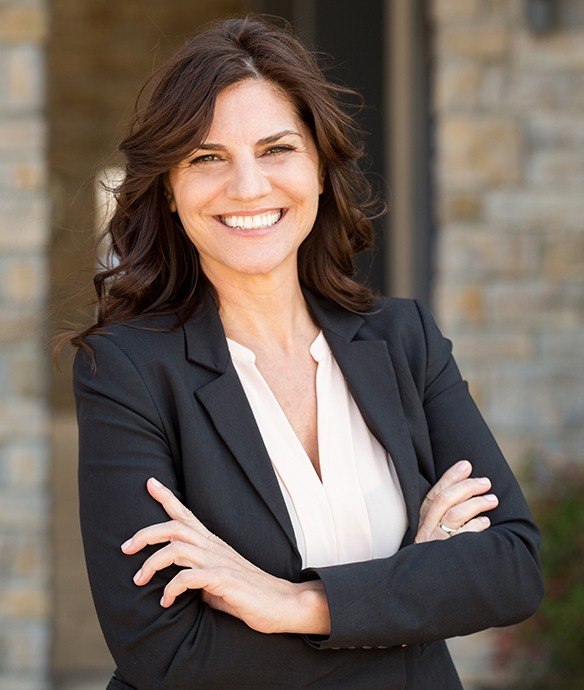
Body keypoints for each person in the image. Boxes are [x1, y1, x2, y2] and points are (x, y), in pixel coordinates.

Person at [68, 15, 543, 690]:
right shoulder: (128, 370)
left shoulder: (402, 340)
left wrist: (295, 604)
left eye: (275, 149)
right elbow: (165, 652)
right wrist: (411, 593)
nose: (248, 187)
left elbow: (512, 569)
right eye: (207, 158)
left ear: (318, 169)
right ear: (170, 189)